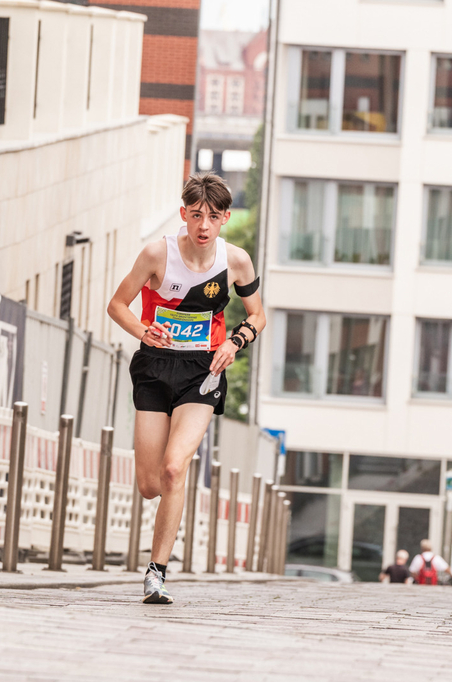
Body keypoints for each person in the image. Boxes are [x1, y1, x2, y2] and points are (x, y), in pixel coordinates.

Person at [107, 172, 266, 604]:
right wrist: (143, 330)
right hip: (155, 366)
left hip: (203, 370)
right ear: (183, 214)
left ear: (225, 219)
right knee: (150, 483)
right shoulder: (157, 254)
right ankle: (168, 500)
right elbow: (116, 304)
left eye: (213, 217)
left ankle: (156, 573)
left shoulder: (235, 262)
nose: (203, 225)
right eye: (196, 215)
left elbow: (257, 315)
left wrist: (236, 341)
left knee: (175, 468)